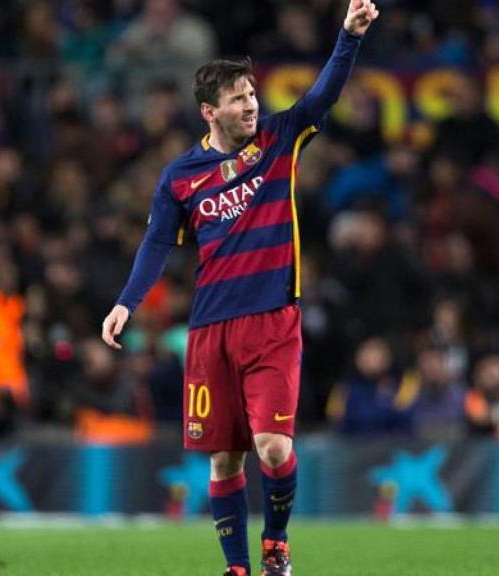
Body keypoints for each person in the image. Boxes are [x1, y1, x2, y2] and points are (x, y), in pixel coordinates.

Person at [100, 2, 379, 575]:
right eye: (237, 98)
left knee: (273, 447)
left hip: (273, 320)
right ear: (209, 111)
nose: (251, 103)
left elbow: (322, 96)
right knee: (224, 460)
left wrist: (348, 37)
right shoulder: (180, 176)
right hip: (209, 330)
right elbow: (157, 243)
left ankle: (276, 542)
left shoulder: (279, 138)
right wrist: (127, 302)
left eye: (252, 93)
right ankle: (237, 568)